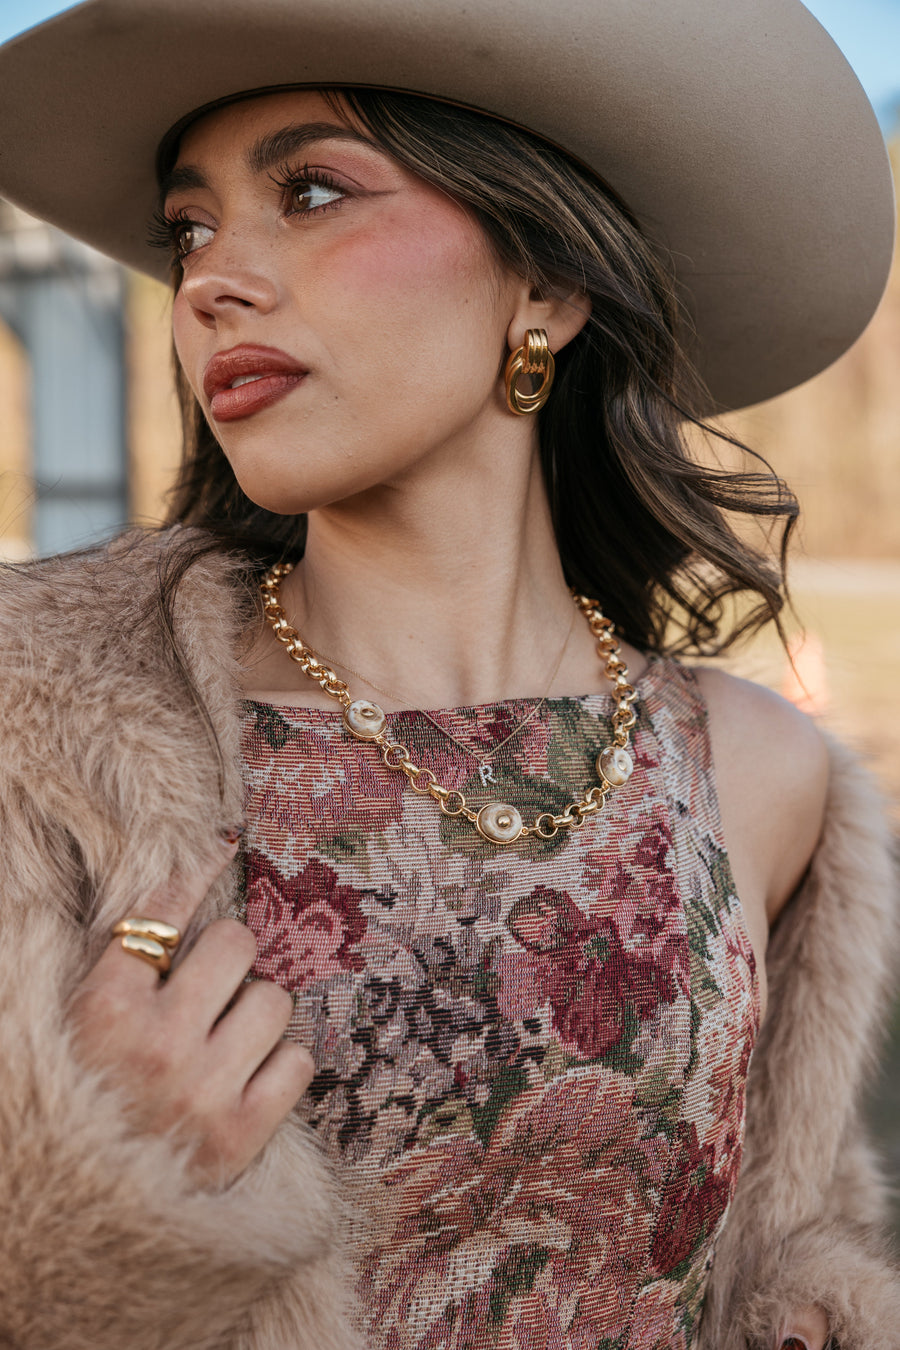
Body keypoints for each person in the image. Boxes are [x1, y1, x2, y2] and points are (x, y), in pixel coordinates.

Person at [0, 2, 896, 1348]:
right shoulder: (49, 759)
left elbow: (783, 1240)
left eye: (309, 191)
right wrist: (64, 1239)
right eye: (192, 226)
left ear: (545, 285)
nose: (209, 280)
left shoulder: (759, 774)